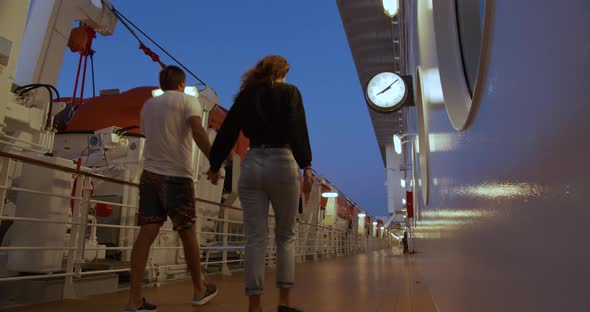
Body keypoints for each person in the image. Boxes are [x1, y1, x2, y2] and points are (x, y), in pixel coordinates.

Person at [207, 55, 313, 312]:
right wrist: (306, 165)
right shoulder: (290, 92)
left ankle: (254, 306)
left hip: (252, 162)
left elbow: (228, 131)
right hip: (282, 162)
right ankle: (284, 303)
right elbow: (298, 129)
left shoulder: (247, 95)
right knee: (286, 236)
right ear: (282, 72)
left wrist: (214, 164)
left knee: (255, 238)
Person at [124, 65, 218, 311]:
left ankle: (134, 299)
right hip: (176, 176)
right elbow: (197, 132)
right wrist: (215, 162)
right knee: (187, 232)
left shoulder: (148, 106)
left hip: (150, 176)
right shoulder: (188, 101)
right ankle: (199, 288)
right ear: (181, 83)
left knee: (146, 233)